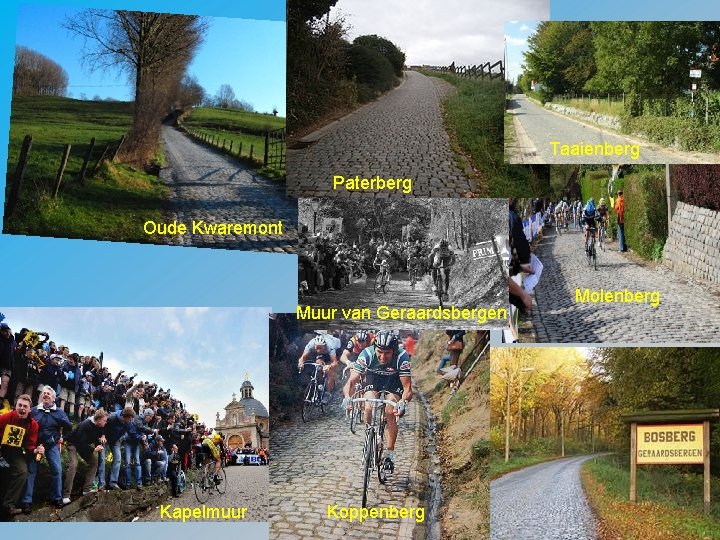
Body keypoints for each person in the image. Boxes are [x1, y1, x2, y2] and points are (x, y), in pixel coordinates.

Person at [342, 331, 412, 473]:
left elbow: (407, 388)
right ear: (375, 348)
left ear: (394, 350)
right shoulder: (366, 354)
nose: (382, 357)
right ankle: (369, 436)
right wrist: (347, 398)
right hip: (374, 378)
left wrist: (403, 402)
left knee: (389, 411)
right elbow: (351, 381)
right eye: (379, 352)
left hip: (394, 380)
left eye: (387, 353)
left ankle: (389, 455)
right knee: (368, 407)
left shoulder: (402, 357)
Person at [21, 386, 72, 512]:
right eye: (44, 393)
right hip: (35, 446)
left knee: (57, 469)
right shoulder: (33, 411)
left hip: (51, 445)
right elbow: (25, 426)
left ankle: (56, 498)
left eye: (48, 394)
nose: (46, 395)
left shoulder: (59, 412)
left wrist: (62, 437)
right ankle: (26, 501)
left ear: (54, 398)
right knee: (31, 471)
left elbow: (69, 426)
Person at [0, 394, 40, 518]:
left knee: (22, 471)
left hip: (14, 451)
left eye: (25, 406)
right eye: (20, 405)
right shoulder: (4, 418)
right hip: (1, 447)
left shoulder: (33, 425)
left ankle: (9, 505)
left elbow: (30, 445)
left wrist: (36, 450)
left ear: (29, 410)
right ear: (15, 406)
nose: (22, 408)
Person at [63, 409, 108, 504]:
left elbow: (99, 433)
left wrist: (101, 441)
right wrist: (93, 450)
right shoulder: (85, 425)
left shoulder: (99, 425)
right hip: (73, 443)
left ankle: (86, 490)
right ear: (99, 420)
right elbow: (80, 443)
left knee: (94, 463)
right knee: (73, 465)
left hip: (83, 445)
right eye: (104, 420)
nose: (106, 422)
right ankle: (66, 495)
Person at [297, 335, 338, 404]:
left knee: (329, 372)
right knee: (318, 364)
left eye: (320, 348)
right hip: (320, 355)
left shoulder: (330, 346)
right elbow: (302, 358)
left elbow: (335, 362)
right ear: (314, 345)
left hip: (329, 354)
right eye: (317, 347)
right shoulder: (311, 345)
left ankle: (327, 393)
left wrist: (329, 366)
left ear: (324, 346)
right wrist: (301, 363)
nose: (318, 350)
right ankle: (318, 383)